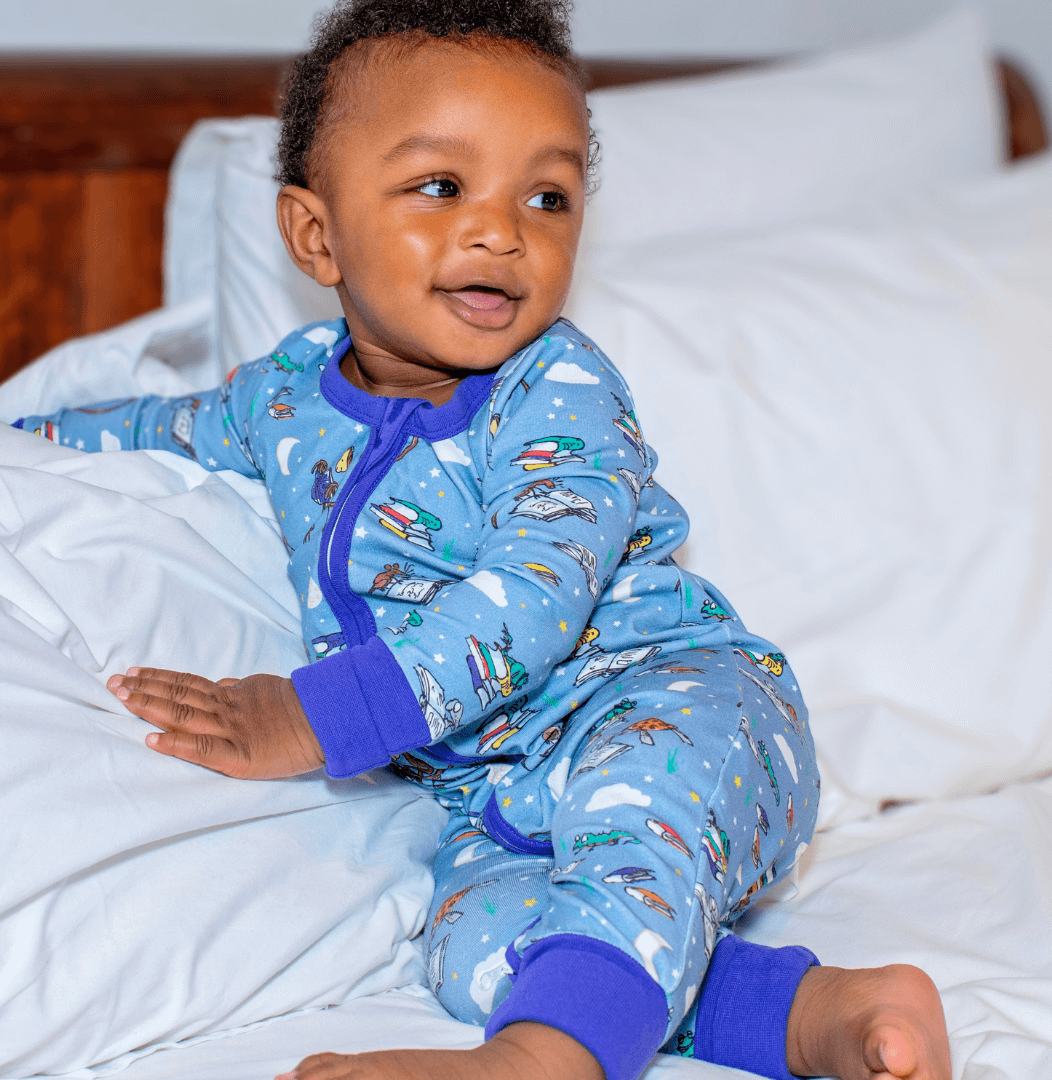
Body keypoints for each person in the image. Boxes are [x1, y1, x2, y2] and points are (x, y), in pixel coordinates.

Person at [14, 2, 952, 1078]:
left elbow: (534, 595)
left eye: (546, 196)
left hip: (679, 709)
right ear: (316, 234)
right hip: (487, 790)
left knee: (636, 818)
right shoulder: (279, 401)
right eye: (442, 186)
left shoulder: (559, 392)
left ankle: (539, 1062)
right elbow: (146, 429)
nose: (503, 229)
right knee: (464, 944)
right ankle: (817, 1013)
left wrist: (313, 716)